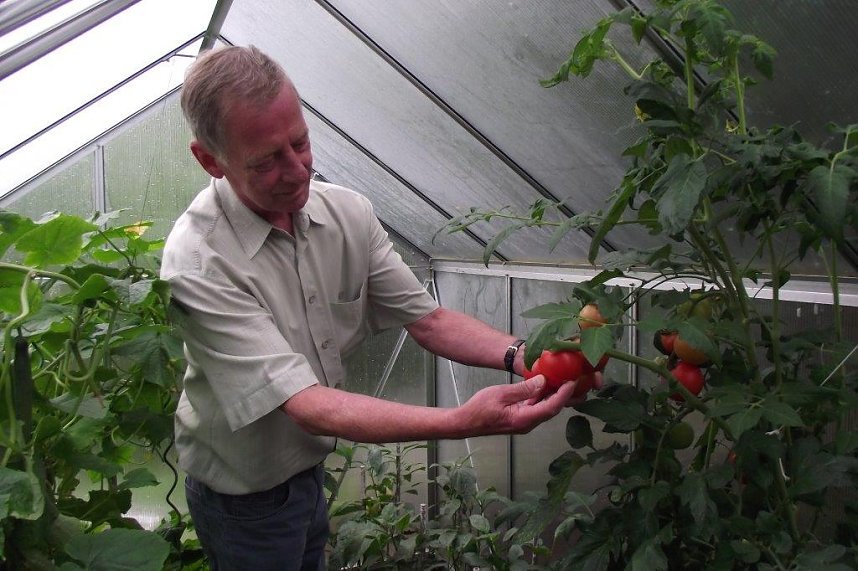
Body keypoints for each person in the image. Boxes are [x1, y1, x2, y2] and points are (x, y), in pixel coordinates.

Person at [160, 45, 583, 571]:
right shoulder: (199, 262)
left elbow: (429, 321)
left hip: (309, 463)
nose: (297, 171)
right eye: (267, 160)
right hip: (243, 494)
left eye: (300, 142)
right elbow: (308, 404)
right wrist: (460, 421)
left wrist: (528, 356)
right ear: (210, 160)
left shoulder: (346, 213)